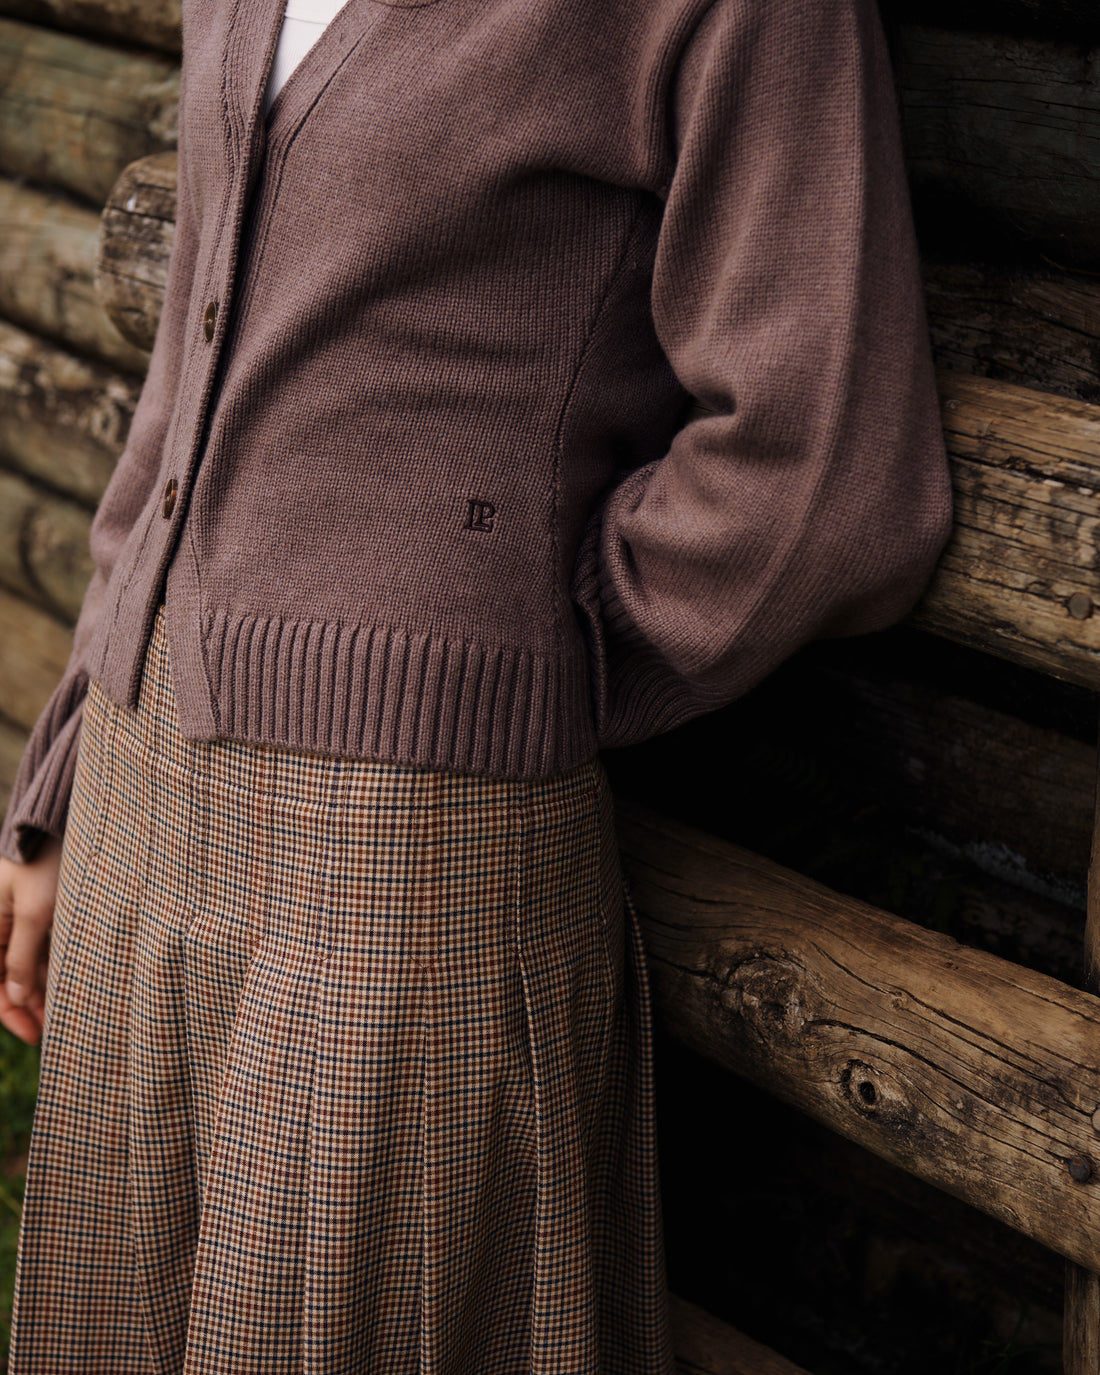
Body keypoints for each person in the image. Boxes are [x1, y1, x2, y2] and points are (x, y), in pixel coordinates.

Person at [0, 0, 953, 1369]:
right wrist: (65, 781)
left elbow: (834, 475)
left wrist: (516, 656)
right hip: (144, 813)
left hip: (400, 869)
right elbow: (183, 385)